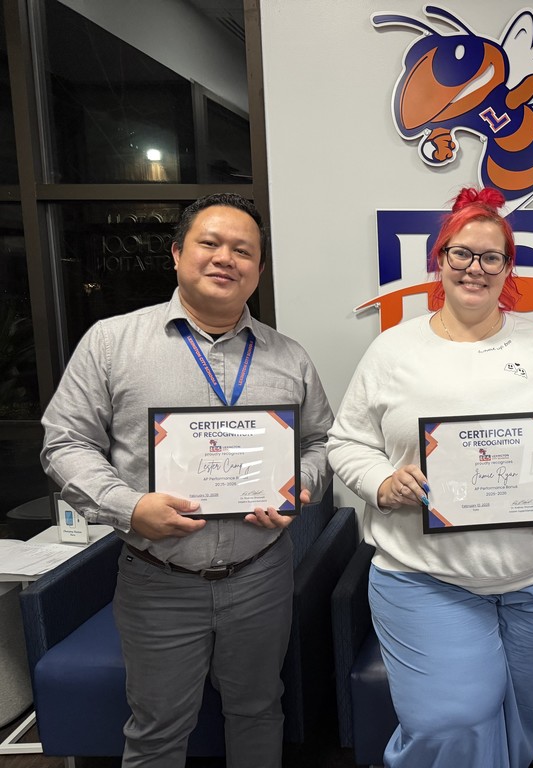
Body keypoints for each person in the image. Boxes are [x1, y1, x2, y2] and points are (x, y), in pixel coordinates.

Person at [40, 193, 334, 768]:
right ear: (177, 254)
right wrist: (127, 506)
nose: (226, 258)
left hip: (261, 574)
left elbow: (322, 442)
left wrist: (301, 485)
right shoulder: (112, 342)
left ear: (258, 270)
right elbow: (64, 442)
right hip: (158, 577)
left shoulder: (289, 357)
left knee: (258, 709)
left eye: (243, 251)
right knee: (157, 729)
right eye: (210, 243)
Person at [327, 186, 533, 768]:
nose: (475, 269)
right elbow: (346, 442)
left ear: (507, 268)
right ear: (440, 259)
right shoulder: (393, 349)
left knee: (518, 711)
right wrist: (382, 483)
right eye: (462, 254)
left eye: (491, 257)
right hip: (425, 576)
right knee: (450, 717)